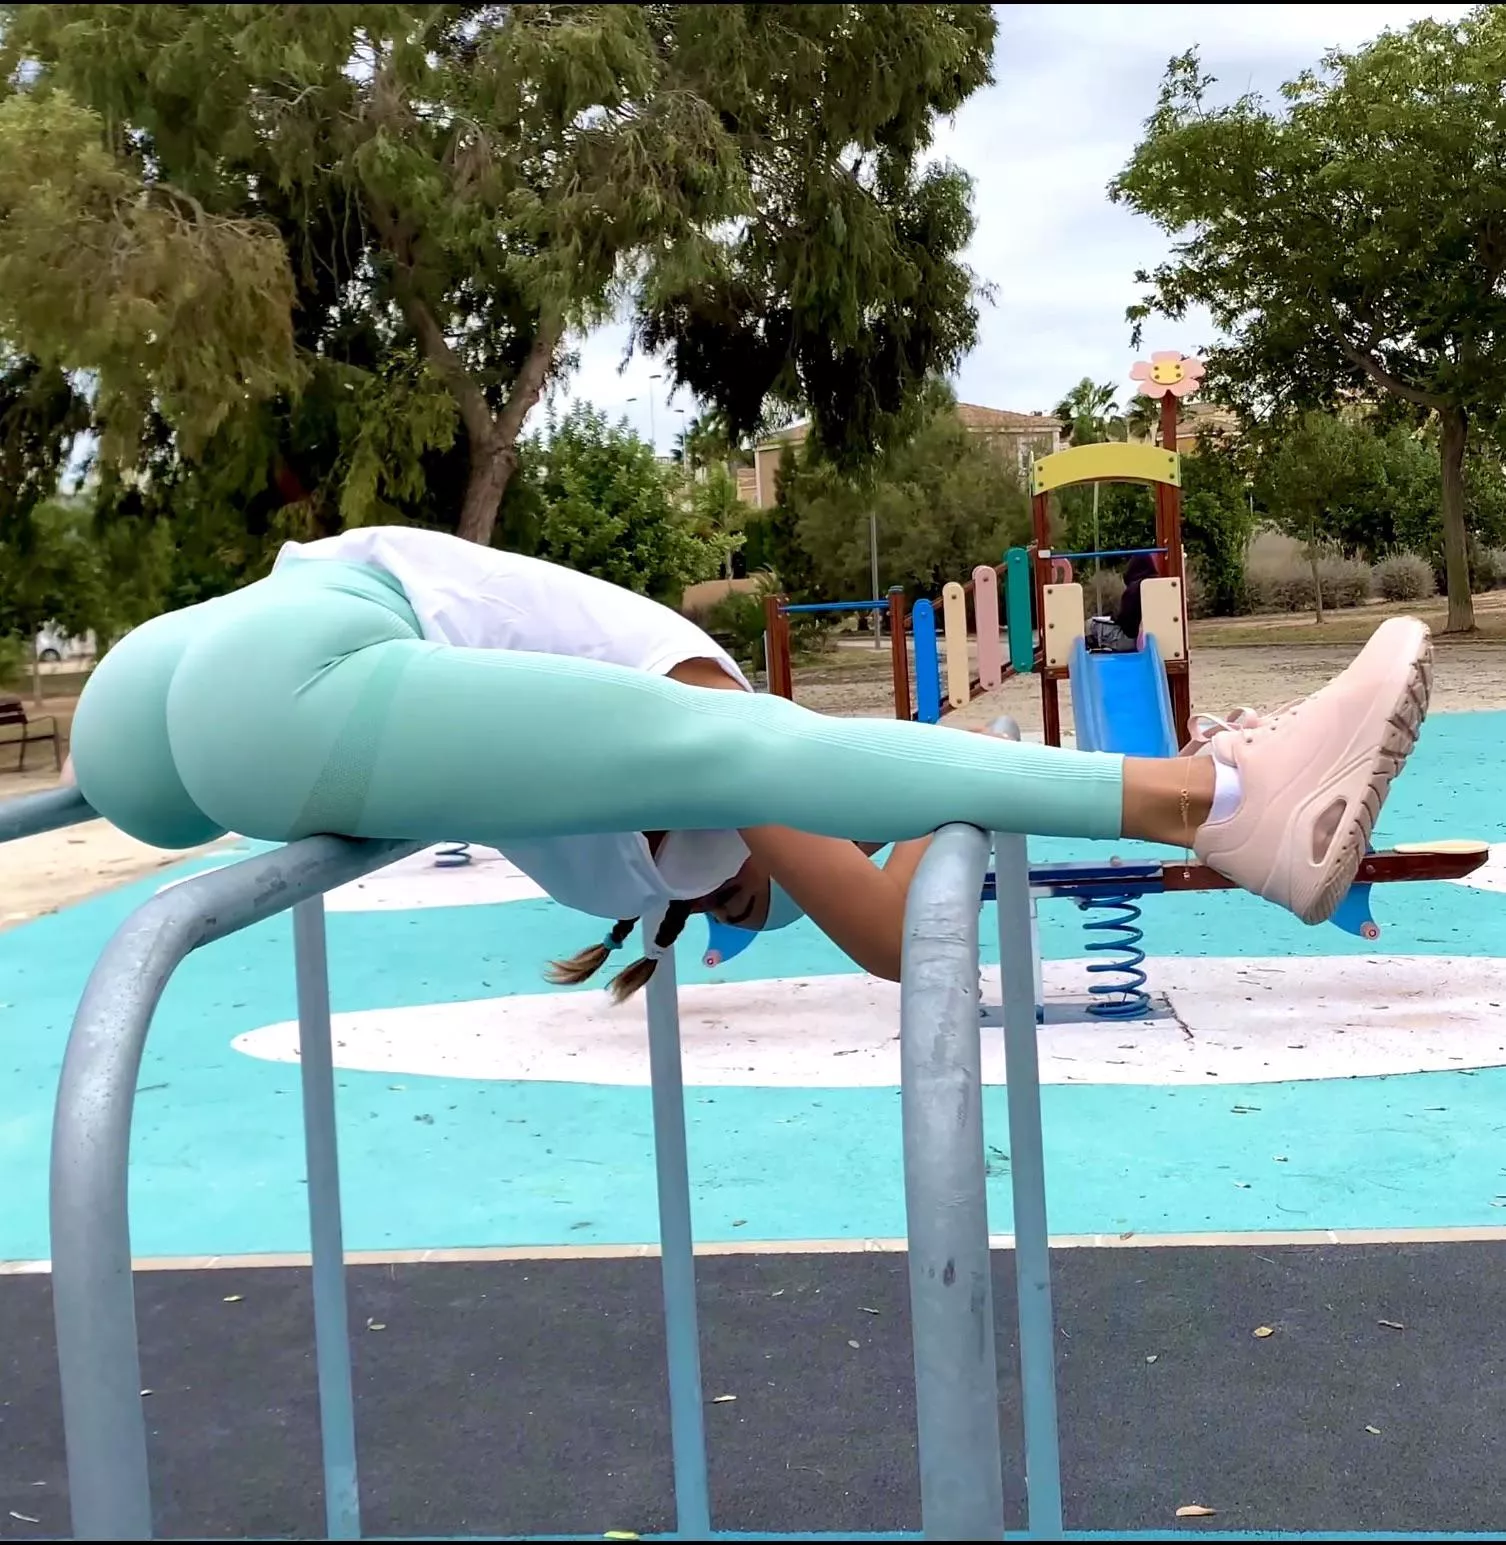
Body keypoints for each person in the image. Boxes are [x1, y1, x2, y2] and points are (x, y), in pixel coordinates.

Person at [67, 526, 1433, 1000]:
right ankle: (1218, 799)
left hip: (191, 689)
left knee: (113, 778)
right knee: (768, 745)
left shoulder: (627, 826)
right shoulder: (666, 761)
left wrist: (952, 774)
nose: (777, 852)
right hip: (269, 687)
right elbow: (863, 889)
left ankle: (1217, 795)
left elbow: (872, 912)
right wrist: (962, 774)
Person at [1087, 552, 1159, 653]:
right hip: (1154, 639)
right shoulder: (1159, 586)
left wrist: (1116, 618)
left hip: (1130, 640)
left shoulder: (1134, 589)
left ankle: (1092, 649)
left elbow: (1126, 624)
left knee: (1090, 624)